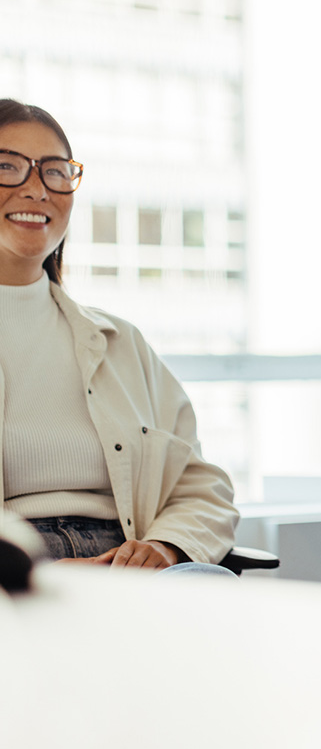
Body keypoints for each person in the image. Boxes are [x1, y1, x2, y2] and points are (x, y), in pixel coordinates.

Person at [0, 99, 238, 573]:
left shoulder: (120, 343)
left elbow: (202, 488)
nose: (36, 189)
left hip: (128, 567)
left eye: (55, 171)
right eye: (8, 167)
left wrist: (168, 545)